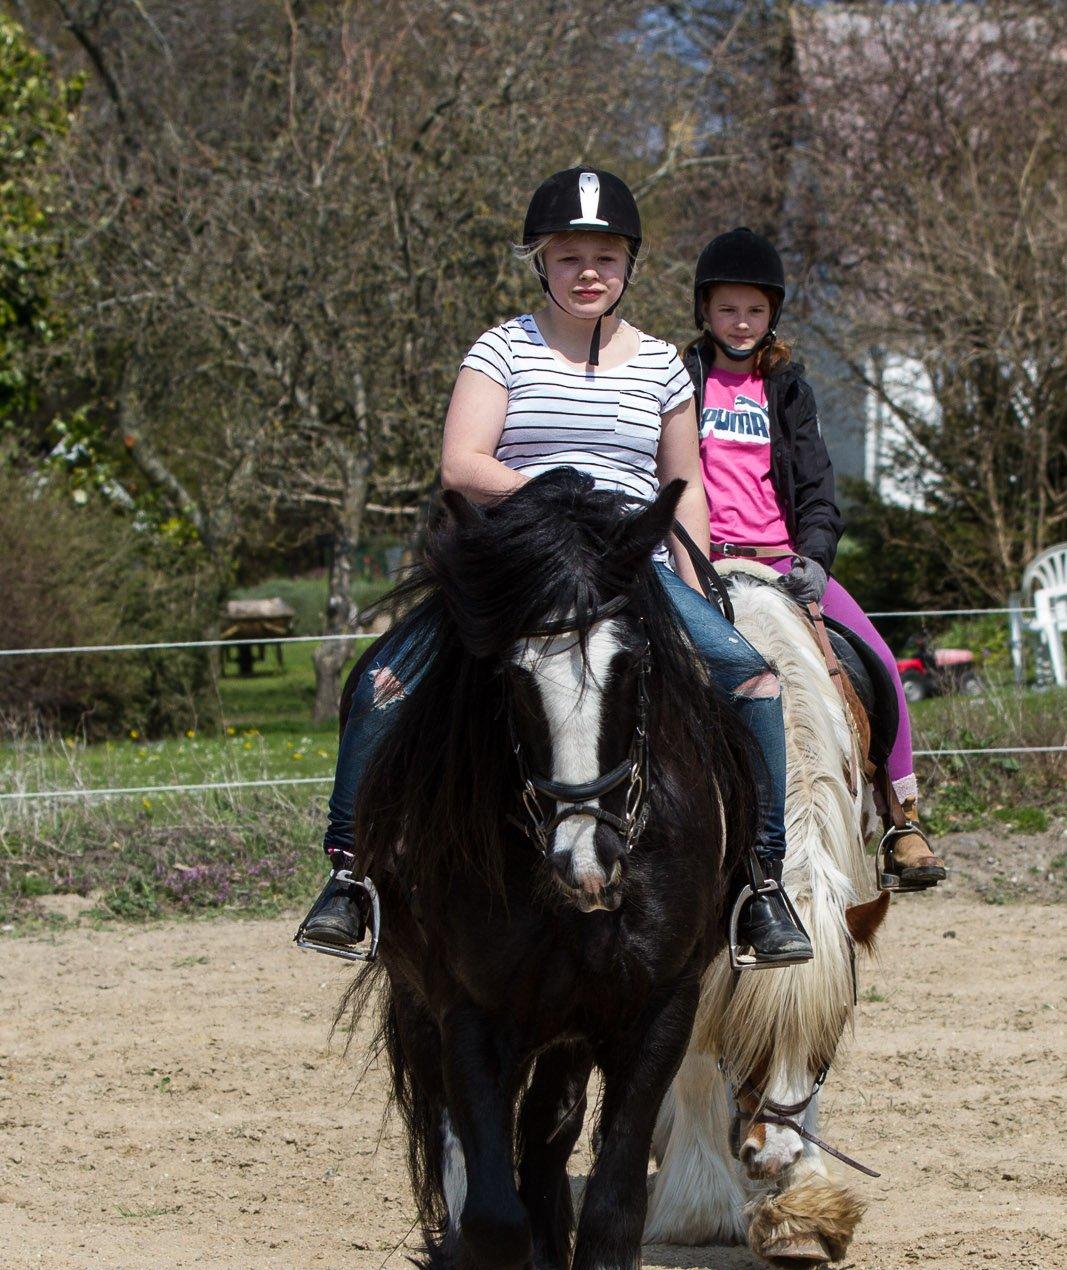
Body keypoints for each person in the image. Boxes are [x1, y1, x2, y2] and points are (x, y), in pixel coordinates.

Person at [297, 172, 815, 964]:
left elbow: (683, 486)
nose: (587, 273)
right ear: (541, 262)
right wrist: (558, 497)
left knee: (754, 683)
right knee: (381, 683)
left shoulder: (662, 367)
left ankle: (760, 884)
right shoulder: (501, 349)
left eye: (604, 258)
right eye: (569, 257)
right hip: (519, 564)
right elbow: (462, 464)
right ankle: (349, 875)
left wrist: (699, 585)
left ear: (628, 265)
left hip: (627, 571)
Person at [685, 227, 946, 890]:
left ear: (771, 313)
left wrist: (816, 559)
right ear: (704, 311)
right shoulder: (680, 382)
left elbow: (817, 491)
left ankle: (902, 818)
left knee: (879, 662)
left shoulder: (788, 390)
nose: (740, 322)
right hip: (699, 561)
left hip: (782, 560)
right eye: (726, 308)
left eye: (754, 310)